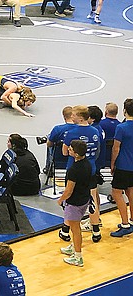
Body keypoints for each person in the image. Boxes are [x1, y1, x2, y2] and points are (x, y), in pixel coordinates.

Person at [61, 105, 102, 244]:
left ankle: (66, 230)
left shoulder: (72, 132)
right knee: (92, 199)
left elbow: (64, 152)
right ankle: (96, 230)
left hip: (74, 169)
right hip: (90, 168)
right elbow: (97, 151)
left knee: (71, 201)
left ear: (79, 116)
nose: (71, 117)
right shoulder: (95, 131)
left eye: (73, 114)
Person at [58, 139, 92, 267]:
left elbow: (69, 190)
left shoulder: (74, 170)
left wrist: (61, 200)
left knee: (75, 229)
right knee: (75, 228)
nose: (69, 149)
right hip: (84, 199)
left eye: (71, 149)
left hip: (75, 202)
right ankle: (73, 247)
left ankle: (78, 256)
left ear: (76, 154)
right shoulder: (87, 164)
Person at [110, 98, 133, 237]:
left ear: (124, 111)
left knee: (117, 193)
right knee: (131, 192)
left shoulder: (121, 128)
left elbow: (116, 148)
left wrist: (113, 164)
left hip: (124, 166)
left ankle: (125, 224)